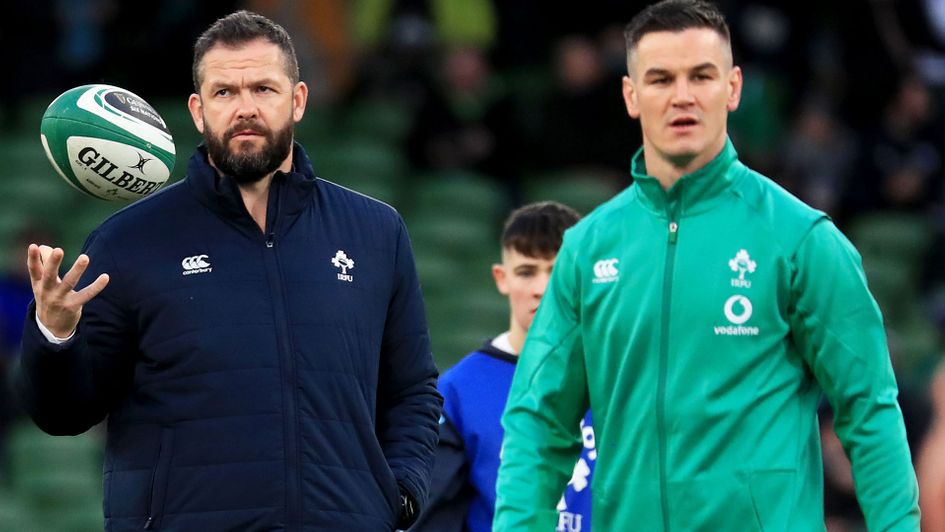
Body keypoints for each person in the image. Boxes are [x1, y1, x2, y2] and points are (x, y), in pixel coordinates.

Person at [493, 1, 920, 530]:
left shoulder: (801, 240)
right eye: (660, 79)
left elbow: (869, 411)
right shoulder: (587, 249)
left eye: (701, 76)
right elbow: (539, 422)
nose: (682, 97)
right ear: (631, 95)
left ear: (733, 88)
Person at [13, 10, 441, 531]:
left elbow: (412, 390)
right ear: (197, 110)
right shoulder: (129, 240)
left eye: (263, 88)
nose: (245, 108)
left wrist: (399, 495)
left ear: (298, 100)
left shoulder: (375, 233)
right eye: (224, 92)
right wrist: (54, 338)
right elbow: (65, 414)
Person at [410, 202, 594, 532]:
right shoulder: (458, 391)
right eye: (527, 272)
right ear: (501, 278)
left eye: (558, 271)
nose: (541, 289)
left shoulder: (623, 376)